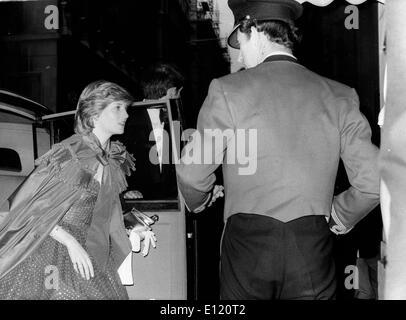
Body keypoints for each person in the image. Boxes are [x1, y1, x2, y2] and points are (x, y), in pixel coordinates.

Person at [176, 0, 380, 300]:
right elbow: (374, 181)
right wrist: (339, 215)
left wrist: (200, 201)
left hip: (247, 246)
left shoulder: (227, 90)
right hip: (312, 245)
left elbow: (193, 174)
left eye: (240, 42)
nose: (239, 53)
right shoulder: (340, 96)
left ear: (254, 31)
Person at [0, 80, 150, 299]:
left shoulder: (110, 157)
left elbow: (103, 212)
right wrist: (70, 242)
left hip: (91, 248)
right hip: (54, 247)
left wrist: (135, 226)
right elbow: (32, 209)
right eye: (117, 108)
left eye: (125, 108)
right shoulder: (74, 153)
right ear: (94, 114)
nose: (125, 115)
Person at [122, 63, 184, 200]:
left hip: (172, 203)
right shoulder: (125, 121)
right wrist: (125, 192)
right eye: (178, 92)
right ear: (171, 91)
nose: (179, 97)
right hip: (136, 202)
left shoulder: (176, 121)